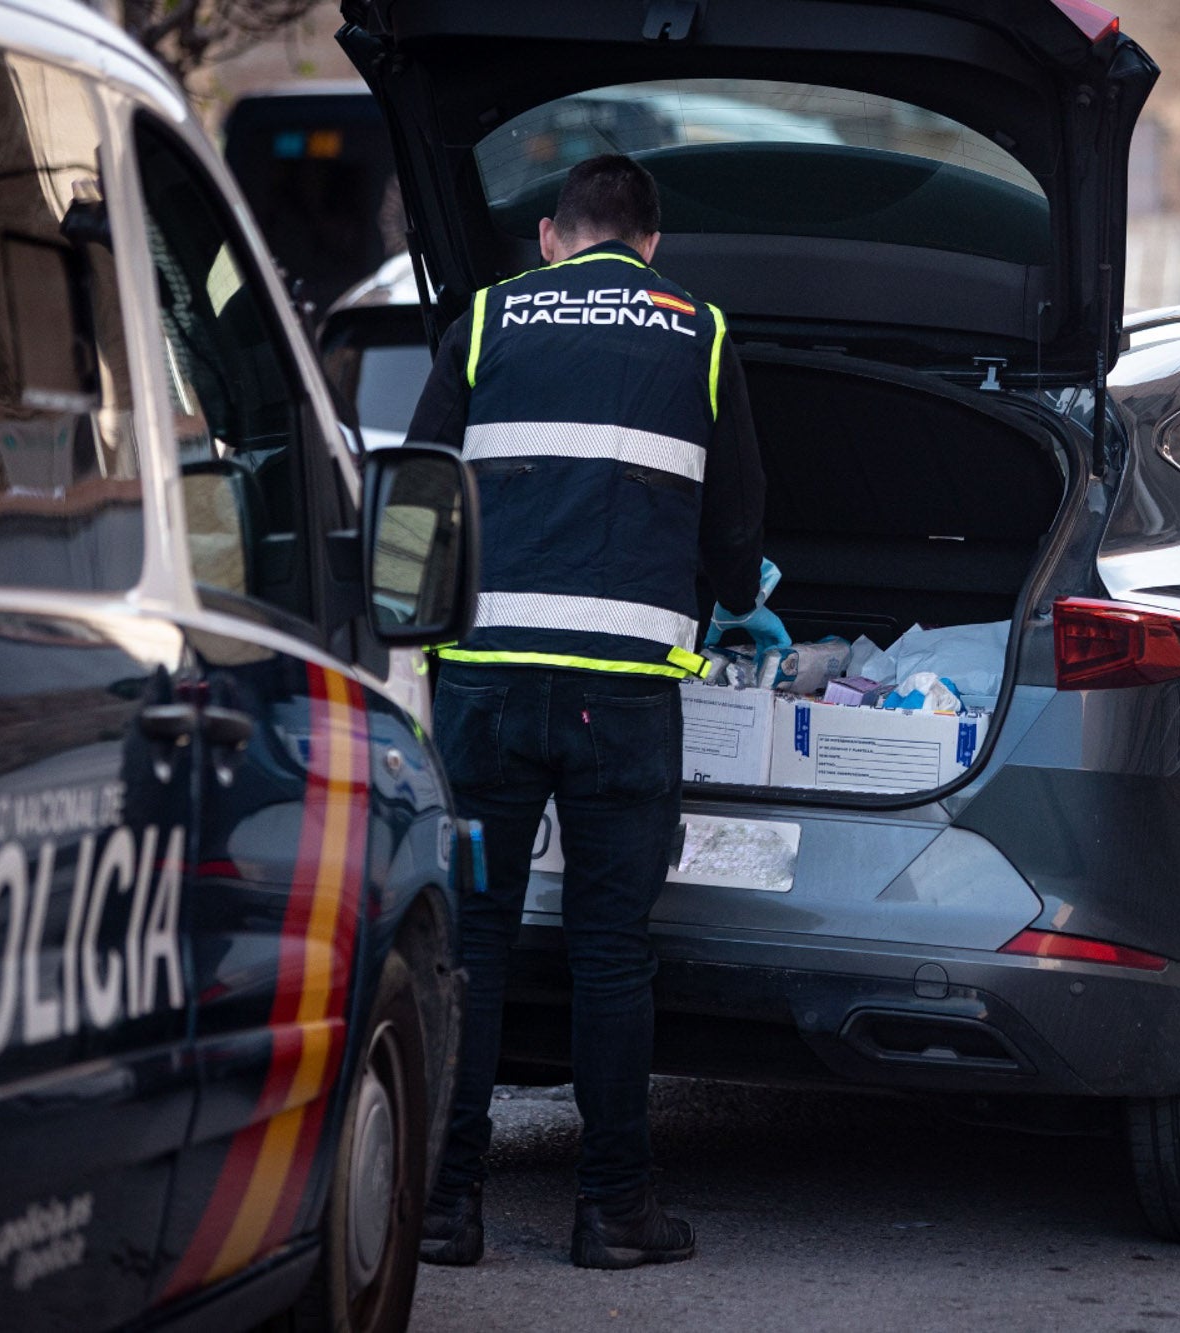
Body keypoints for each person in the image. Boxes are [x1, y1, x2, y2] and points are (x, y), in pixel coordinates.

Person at [407, 154, 786, 1270]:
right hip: (621, 700)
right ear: (652, 244)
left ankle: (441, 1206)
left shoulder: (484, 321)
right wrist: (733, 604)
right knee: (611, 953)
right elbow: (734, 522)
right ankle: (613, 1212)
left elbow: (422, 484)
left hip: (481, 689)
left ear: (549, 237)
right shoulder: (700, 332)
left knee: (471, 943)